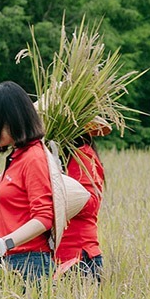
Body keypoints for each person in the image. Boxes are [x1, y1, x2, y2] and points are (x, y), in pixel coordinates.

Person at [0, 81, 55, 283]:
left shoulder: (33, 157)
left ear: (12, 118)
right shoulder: (18, 155)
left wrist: (5, 243)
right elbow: (19, 194)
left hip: (31, 264)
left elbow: (44, 217)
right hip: (11, 260)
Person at [54, 117, 110, 281]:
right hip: (56, 255)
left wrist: (59, 181)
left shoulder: (83, 156)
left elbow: (90, 203)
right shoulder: (54, 157)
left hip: (77, 258)